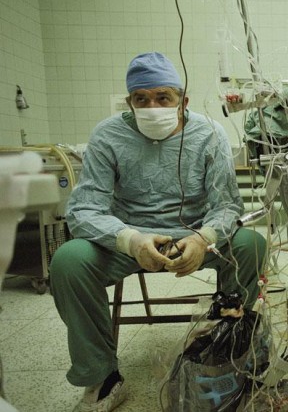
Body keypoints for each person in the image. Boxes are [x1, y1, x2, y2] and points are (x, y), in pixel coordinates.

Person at [49, 52, 267, 412]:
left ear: (183, 101)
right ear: (130, 102)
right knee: (69, 261)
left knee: (250, 244)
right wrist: (131, 241)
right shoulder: (109, 136)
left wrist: (203, 238)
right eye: (141, 99)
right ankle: (102, 376)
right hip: (127, 238)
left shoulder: (209, 134)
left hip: (193, 235)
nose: (152, 107)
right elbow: (84, 209)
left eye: (163, 98)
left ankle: (225, 350)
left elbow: (228, 205)